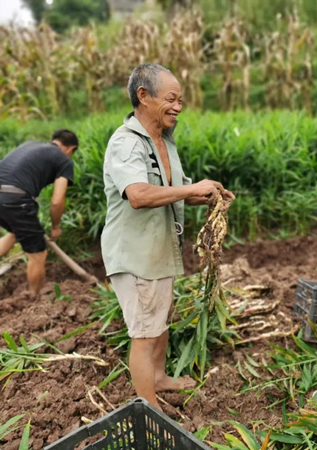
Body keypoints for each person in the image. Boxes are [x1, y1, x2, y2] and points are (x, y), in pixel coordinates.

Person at [101, 63, 234, 408]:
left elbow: (172, 191)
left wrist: (206, 195)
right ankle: (149, 408)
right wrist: (189, 189)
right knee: (144, 333)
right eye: (171, 98)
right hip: (136, 254)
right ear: (143, 96)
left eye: (181, 100)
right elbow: (139, 195)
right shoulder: (127, 143)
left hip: (159, 250)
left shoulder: (164, 142)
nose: (178, 106)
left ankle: (159, 379)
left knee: (158, 321)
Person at [0, 130, 78, 297]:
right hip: (16, 199)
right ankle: (35, 299)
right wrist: (56, 227)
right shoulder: (64, 160)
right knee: (38, 254)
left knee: (16, 233)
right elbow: (57, 200)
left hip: (5, 193)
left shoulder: (30, 145)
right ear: (71, 149)